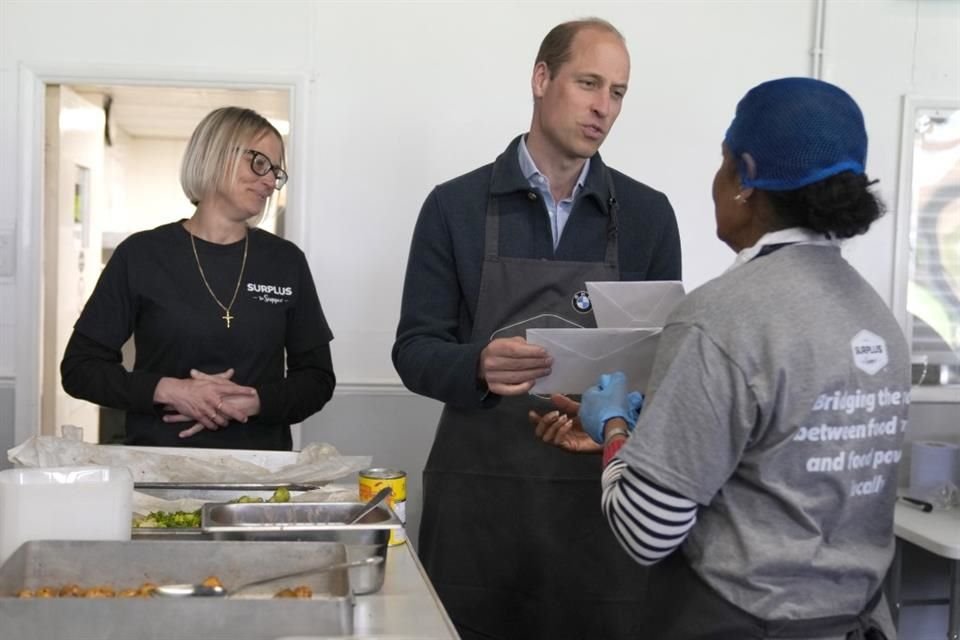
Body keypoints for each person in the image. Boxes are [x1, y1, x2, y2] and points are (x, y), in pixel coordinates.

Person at [533, 77, 909, 639]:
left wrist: (613, 427)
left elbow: (646, 528)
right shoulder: (876, 318)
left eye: (722, 160)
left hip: (746, 621)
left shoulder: (720, 318)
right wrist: (655, 439)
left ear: (746, 178)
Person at [392, 18, 681, 640]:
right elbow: (414, 350)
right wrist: (476, 366)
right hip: (479, 500)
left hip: (601, 497)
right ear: (541, 77)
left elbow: (663, 364)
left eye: (619, 93)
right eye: (589, 83)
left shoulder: (649, 217)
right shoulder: (454, 207)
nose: (604, 107)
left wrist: (612, 415)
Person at [61, 106, 335, 450]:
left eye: (275, 172)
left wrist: (254, 401)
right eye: (260, 163)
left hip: (260, 473)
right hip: (157, 468)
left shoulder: (286, 262)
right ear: (215, 154)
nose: (269, 181)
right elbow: (80, 369)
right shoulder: (142, 255)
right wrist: (169, 391)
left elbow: (317, 379)